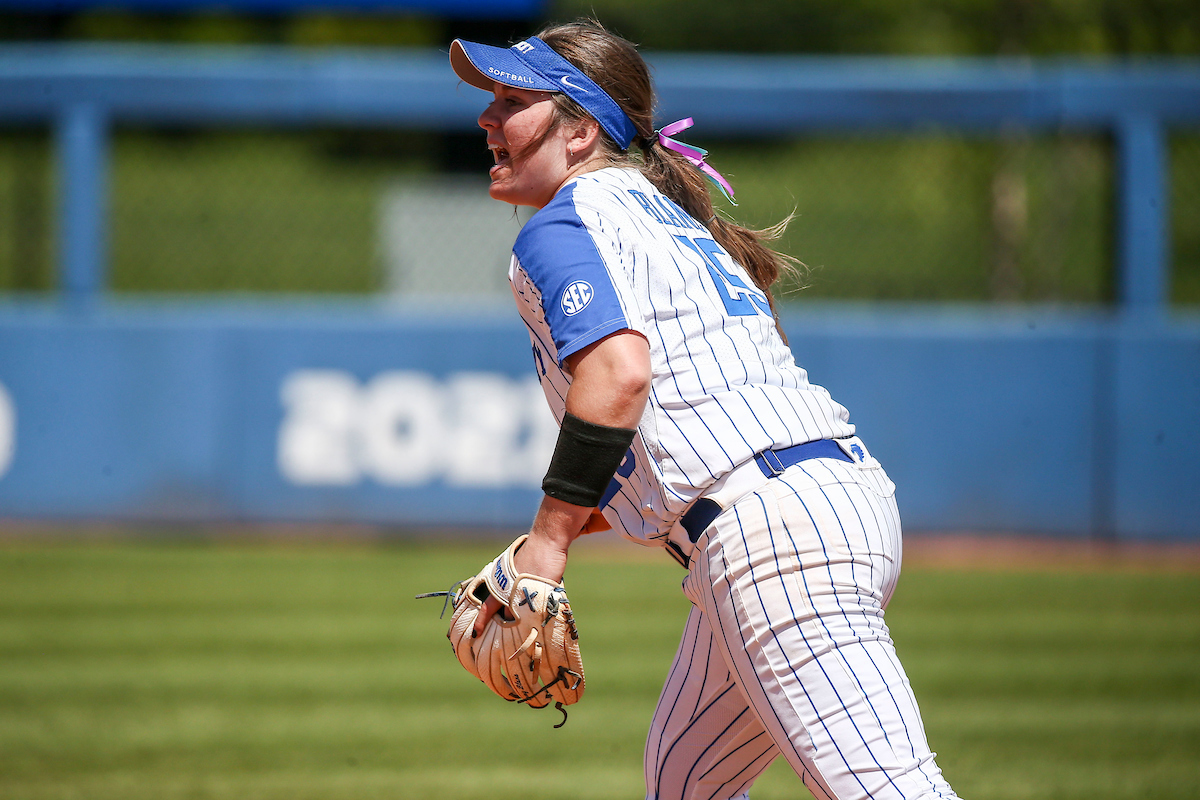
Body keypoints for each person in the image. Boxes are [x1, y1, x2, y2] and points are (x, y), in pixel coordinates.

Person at [449, 19, 961, 800]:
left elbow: (619, 379)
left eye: (513, 100)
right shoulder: (670, 220)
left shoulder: (562, 224)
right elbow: (675, 416)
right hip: (813, 506)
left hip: (772, 544)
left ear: (581, 128)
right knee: (688, 781)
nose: (488, 117)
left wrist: (548, 545)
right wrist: (575, 521)